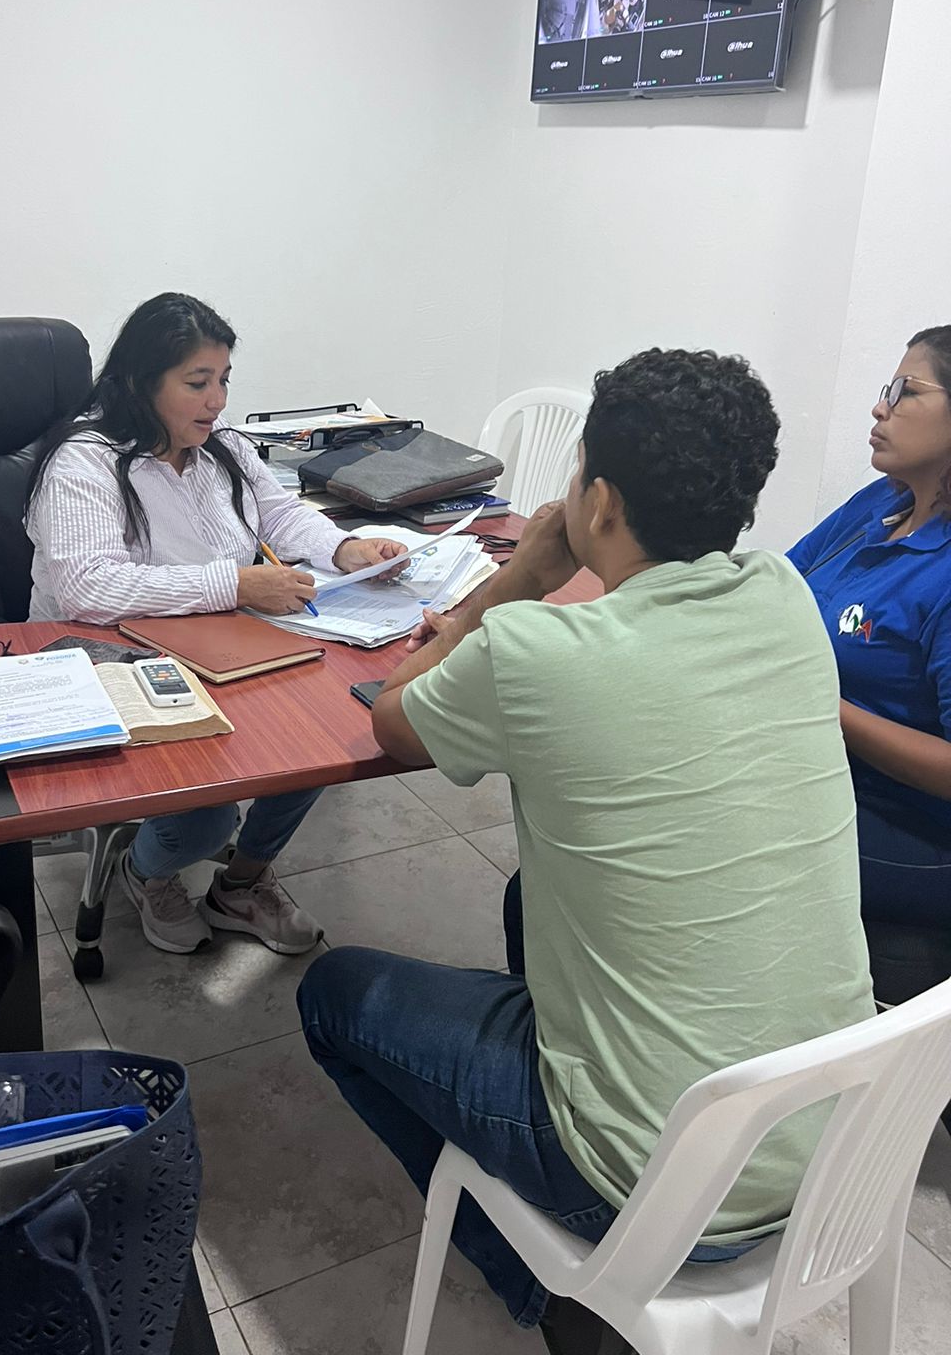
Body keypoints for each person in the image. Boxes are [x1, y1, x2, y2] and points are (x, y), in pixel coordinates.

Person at [297, 348, 875, 1351]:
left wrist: (519, 577)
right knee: (529, 897)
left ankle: (556, 1294)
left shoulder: (534, 652)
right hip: (836, 1150)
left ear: (598, 501)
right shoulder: (787, 597)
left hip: (650, 1185)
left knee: (332, 993)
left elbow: (392, 719)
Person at [25, 293, 407, 958]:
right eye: (197, 382)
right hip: (110, 660)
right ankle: (146, 872)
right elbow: (89, 588)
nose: (217, 401)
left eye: (223, 379)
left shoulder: (221, 446)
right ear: (141, 383)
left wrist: (345, 549)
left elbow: (279, 513)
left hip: (222, 645)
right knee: (207, 815)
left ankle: (242, 883)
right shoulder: (85, 462)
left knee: (325, 738)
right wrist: (234, 582)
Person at [787, 325, 951, 1006]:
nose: (880, 407)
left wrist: (827, 709)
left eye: (905, 391)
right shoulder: (881, 503)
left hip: (913, 825)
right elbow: (779, 586)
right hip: (821, 769)